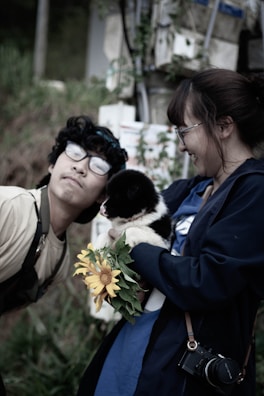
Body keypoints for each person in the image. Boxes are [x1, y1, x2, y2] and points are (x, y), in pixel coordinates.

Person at [76, 68, 264, 396]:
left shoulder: (254, 193)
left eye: (184, 131)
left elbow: (205, 279)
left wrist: (134, 247)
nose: (180, 147)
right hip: (134, 348)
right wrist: (113, 273)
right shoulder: (185, 190)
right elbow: (124, 243)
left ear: (223, 126)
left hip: (181, 373)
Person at [0, 115, 128, 395]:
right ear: (52, 164)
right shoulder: (8, 206)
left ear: (102, 196)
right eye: (73, 153)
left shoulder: (60, 263)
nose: (80, 167)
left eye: (97, 166)